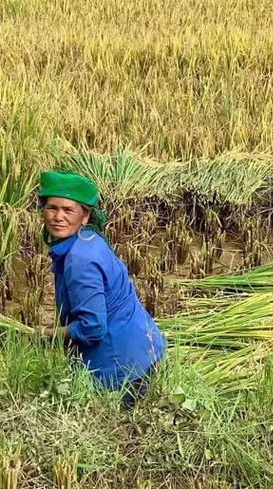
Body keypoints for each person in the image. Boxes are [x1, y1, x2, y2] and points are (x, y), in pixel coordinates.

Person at [36, 170, 166, 406]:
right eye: (52, 207)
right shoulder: (89, 239)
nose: (58, 217)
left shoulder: (80, 260)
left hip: (124, 366)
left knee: (120, 434)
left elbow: (92, 327)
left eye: (68, 210)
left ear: (85, 216)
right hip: (143, 346)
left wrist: (45, 334)